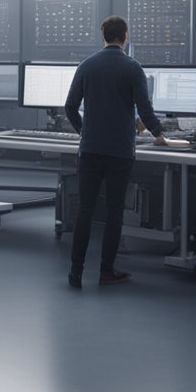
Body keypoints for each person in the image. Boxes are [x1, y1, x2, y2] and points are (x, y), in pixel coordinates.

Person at [63, 15, 167, 289]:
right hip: (120, 152)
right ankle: (106, 271)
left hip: (90, 150)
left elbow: (70, 106)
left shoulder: (86, 66)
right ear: (125, 36)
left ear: (104, 37)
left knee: (85, 210)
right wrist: (159, 134)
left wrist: (83, 131)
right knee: (114, 212)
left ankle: (75, 272)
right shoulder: (133, 68)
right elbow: (144, 109)